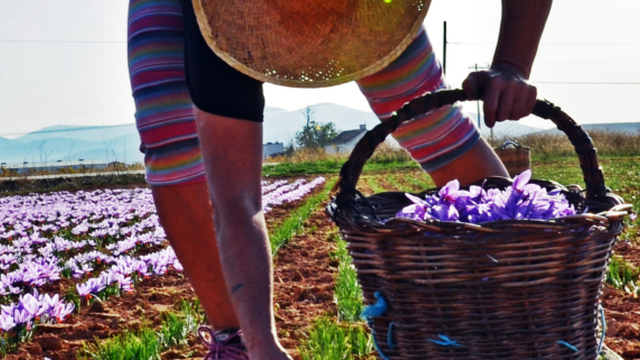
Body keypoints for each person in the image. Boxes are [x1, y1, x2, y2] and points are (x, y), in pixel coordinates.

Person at [127, 0, 552, 358]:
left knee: (434, 125)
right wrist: (263, 345)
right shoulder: (219, 22)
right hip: (213, 13)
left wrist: (512, 65)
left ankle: (523, 306)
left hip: (368, 8)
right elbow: (236, 200)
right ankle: (235, 341)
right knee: (175, 145)